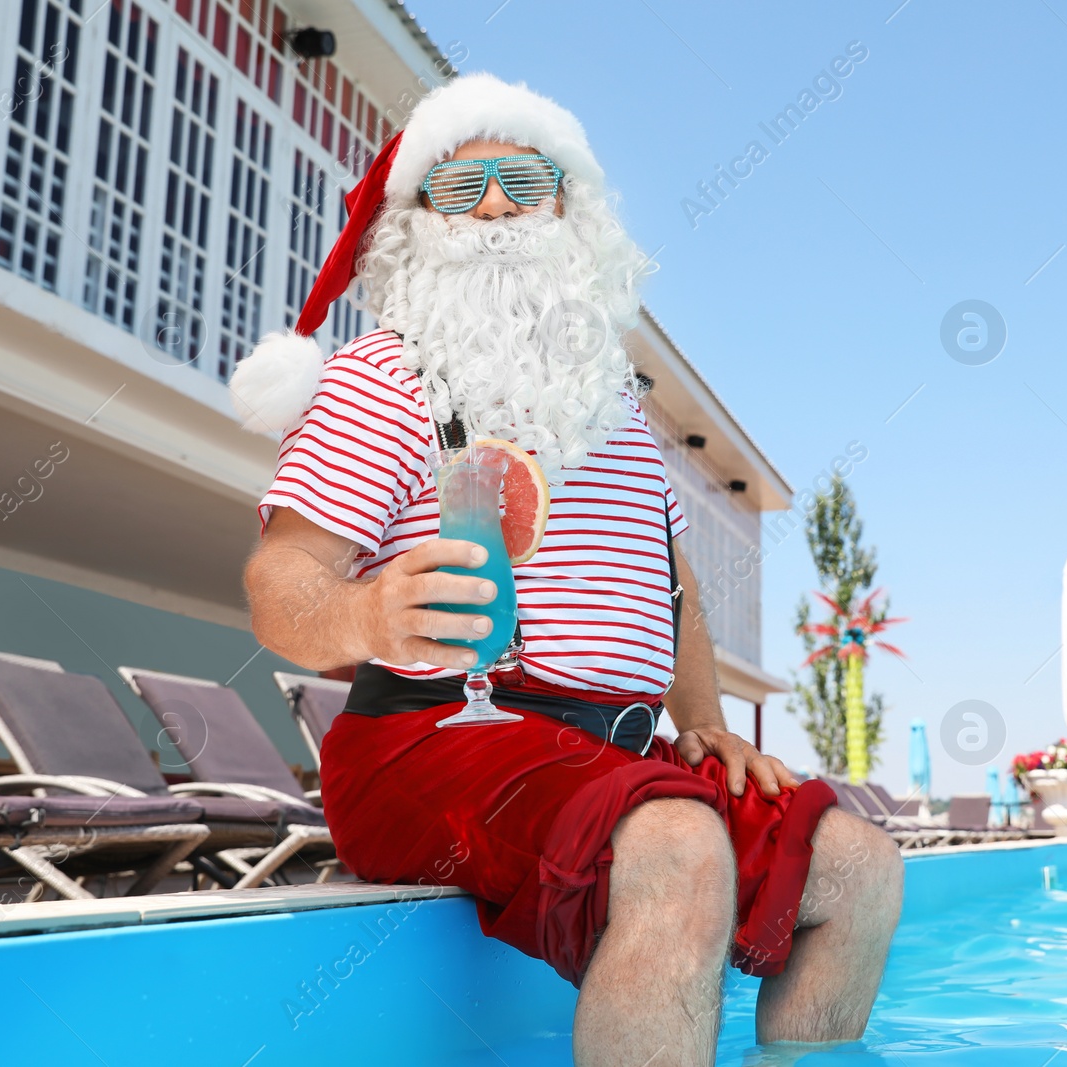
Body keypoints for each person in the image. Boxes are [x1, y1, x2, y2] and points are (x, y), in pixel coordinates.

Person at [234, 73, 902, 1064]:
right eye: (461, 190)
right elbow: (281, 578)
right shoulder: (379, 374)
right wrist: (366, 615)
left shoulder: (620, 407)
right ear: (417, 222)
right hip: (431, 740)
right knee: (676, 845)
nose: (495, 206)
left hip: (619, 762)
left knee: (859, 866)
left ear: (568, 209)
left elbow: (673, 591)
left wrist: (708, 724)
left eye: (521, 181)